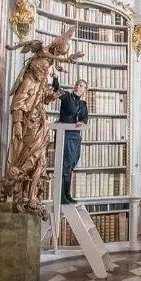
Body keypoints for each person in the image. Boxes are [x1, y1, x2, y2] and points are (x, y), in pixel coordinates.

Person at [51, 74, 89, 204]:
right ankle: (61, 196)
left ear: (84, 90)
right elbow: (57, 89)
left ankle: (67, 194)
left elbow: (85, 118)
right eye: (77, 84)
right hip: (65, 135)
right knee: (64, 166)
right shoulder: (67, 96)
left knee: (71, 166)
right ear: (74, 86)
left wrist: (82, 122)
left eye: (81, 86)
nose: (78, 87)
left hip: (76, 137)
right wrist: (55, 79)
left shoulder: (83, 104)